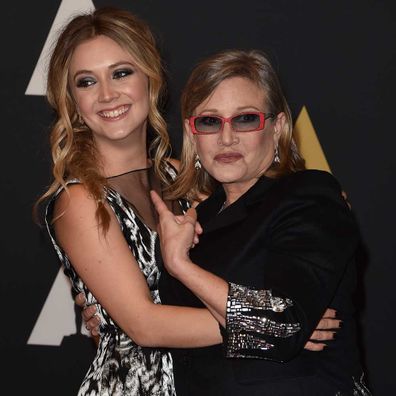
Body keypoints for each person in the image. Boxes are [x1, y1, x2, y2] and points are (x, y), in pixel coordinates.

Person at [43, 7, 341, 395]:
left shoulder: (186, 178)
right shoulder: (81, 200)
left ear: (150, 79)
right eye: (86, 82)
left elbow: (269, 230)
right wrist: (271, 326)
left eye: (121, 73)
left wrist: (282, 320)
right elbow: (144, 325)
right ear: (72, 102)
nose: (106, 95)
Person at [149, 49, 372, 395]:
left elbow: (283, 326)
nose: (227, 138)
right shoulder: (195, 218)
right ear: (192, 135)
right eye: (210, 121)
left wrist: (181, 266)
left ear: (277, 127)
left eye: (245, 119)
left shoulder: (310, 197)